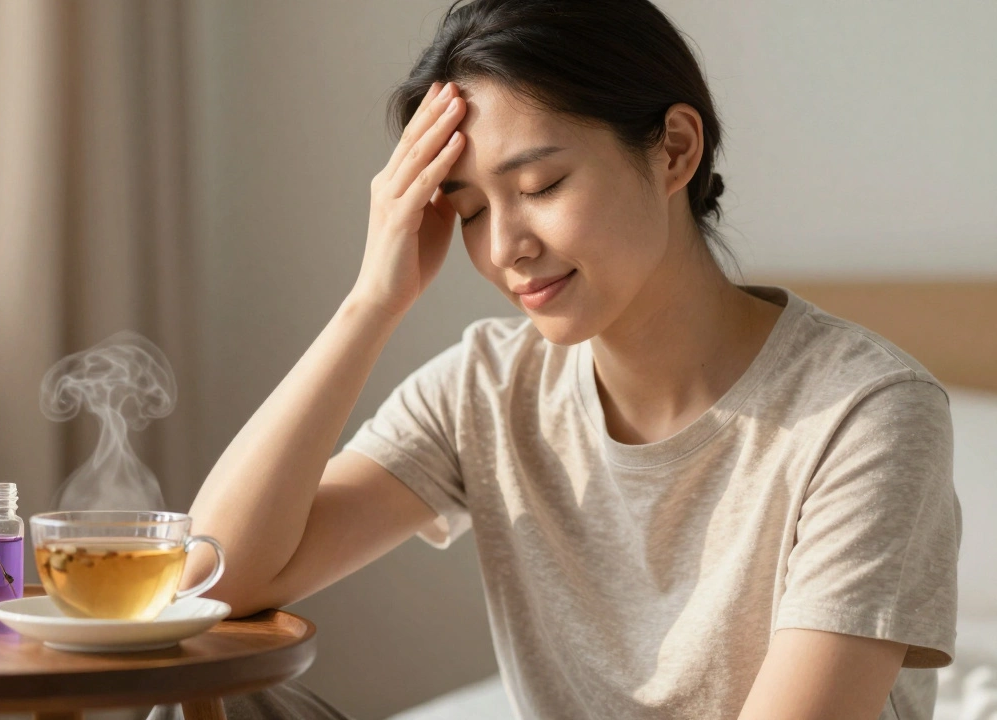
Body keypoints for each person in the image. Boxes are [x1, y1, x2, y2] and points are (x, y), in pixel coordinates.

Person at [181, 0, 962, 718]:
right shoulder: (488, 384)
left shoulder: (868, 411)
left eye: (541, 184)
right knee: (209, 702)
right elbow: (210, 581)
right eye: (470, 210)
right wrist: (370, 304)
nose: (505, 247)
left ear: (675, 152)